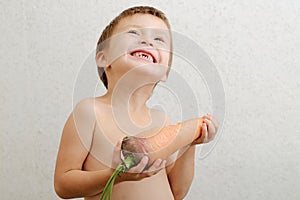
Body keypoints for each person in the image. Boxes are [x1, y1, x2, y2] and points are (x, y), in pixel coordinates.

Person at [54, 6, 218, 200]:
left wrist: (190, 142)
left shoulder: (162, 121)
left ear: (165, 72)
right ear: (103, 58)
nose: (147, 41)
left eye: (159, 39)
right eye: (133, 32)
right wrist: (115, 176)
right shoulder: (90, 112)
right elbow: (63, 185)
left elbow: (177, 192)